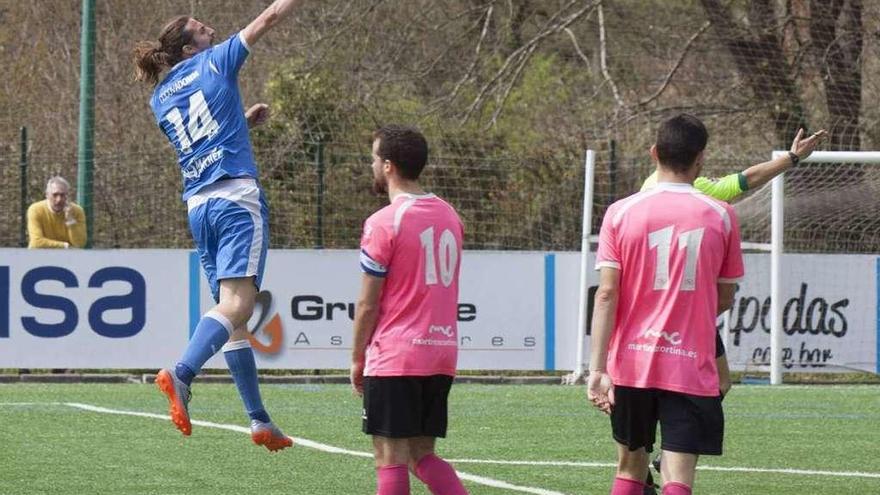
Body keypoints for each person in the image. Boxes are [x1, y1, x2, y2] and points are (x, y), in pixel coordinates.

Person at [132, 0, 302, 451]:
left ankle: (259, 419)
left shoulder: (159, 98)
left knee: (233, 317)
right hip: (234, 199)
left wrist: (240, 123)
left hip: (199, 206)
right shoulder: (216, 59)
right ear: (190, 50)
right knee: (238, 305)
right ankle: (181, 374)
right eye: (204, 30)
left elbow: (199, 138)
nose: (213, 32)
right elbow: (268, 19)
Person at [638, 128, 827, 494]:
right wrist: (792, 158)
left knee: (715, 383)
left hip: (663, 316)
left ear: (656, 154)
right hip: (684, 317)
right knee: (682, 389)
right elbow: (746, 180)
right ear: (698, 158)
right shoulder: (700, 196)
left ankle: (649, 461)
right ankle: (653, 461)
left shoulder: (648, 190)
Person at [588, 114, 746, 495]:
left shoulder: (620, 212)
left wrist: (596, 369)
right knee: (678, 475)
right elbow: (724, 297)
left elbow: (606, 294)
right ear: (701, 159)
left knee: (630, 467)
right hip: (689, 361)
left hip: (632, 363)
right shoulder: (722, 215)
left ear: (654, 152)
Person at [351, 125, 468, 495]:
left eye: (373, 158)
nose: (371, 165)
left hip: (396, 354)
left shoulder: (384, 222)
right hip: (440, 353)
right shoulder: (451, 215)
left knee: (390, 458)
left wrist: (357, 357)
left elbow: (368, 303)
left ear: (387, 166)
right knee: (422, 454)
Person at [27, 176, 87, 249]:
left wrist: (70, 220)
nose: (59, 199)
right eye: (55, 195)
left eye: (62, 195)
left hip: (68, 257)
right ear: (47, 195)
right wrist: (65, 246)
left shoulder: (77, 211)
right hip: (41, 255)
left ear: (67, 196)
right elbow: (36, 242)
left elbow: (79, 243)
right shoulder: (35, 210)